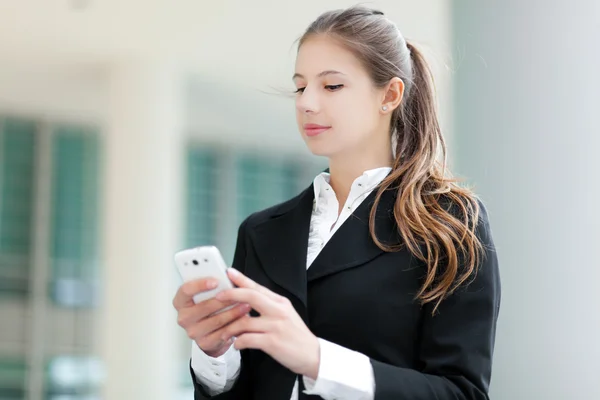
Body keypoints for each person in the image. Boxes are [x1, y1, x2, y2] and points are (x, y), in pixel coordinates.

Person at [172, 5, 501, 400]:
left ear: (390, 94)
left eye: (331, 86)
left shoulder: (449, 223)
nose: (306, 102)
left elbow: (462, 393)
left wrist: (318, 360)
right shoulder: (262, 232)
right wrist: (215, 354)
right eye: (300, 86)